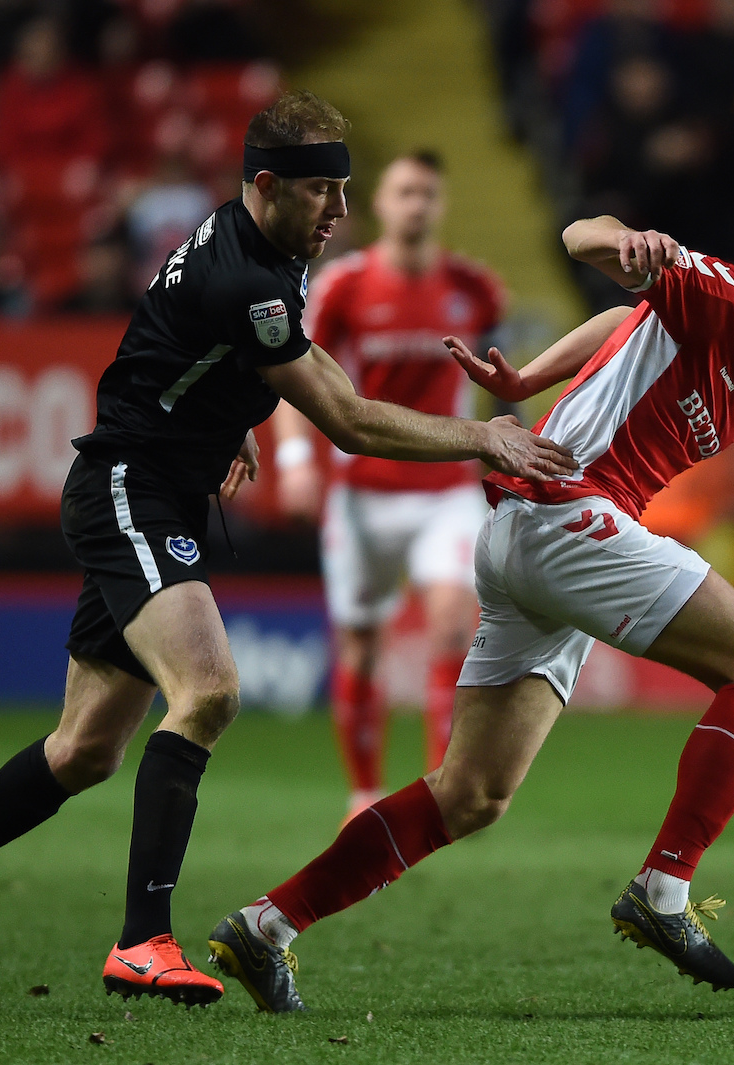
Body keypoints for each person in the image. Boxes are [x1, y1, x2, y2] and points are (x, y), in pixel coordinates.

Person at [0, 90, 574, 1007]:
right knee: (208, 691)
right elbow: (348, 418)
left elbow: (195, 348)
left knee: (84, 749)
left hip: (159, 482)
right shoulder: (249, 279)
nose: (340, 211)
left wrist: (225, 415)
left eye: (345, 190)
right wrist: (483, 437)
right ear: (267, 184)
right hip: (130, 488)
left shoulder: (260, 245)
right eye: (321, 191)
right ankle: (142, 941)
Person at [207, 216, 734, 1013]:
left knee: (472, 793)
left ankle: (265, 926)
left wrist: (528, 380)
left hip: (531, 534)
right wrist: (628, 240)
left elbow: (629, 320)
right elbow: (583, 238)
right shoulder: (722, 298)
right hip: (567, 512)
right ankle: (664, 888)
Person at [273, 150, 507, 820]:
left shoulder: (475, 287)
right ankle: (364, 792)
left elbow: (499, 376)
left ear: (441, 204)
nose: (416, 205)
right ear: (381, 203)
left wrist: (503, 440)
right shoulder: (343, 286)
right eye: (405, 192)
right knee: (361, 643)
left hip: (447, 488)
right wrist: (295, 460)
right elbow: (293, 374)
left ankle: (439, 790)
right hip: (363, 493)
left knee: (451, 624)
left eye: (427, 193)